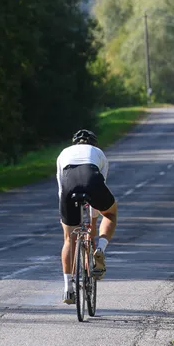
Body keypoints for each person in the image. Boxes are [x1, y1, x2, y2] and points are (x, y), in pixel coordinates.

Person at [56, 129, 118, 304]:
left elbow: (61, 188)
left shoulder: (63, 153)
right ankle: (100, 249)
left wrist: (66, 218)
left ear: (75, 143)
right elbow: (99, 189)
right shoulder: (99, 153)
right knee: (111, 213)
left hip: (68, 184)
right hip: (92, 178)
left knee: (69, 239)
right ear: (93, 143)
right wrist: (92, 224)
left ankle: (68, 288)